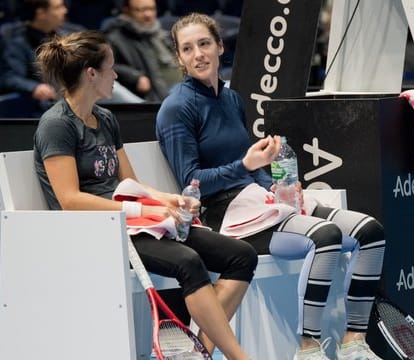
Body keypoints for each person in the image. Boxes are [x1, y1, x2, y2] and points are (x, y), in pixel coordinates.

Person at [156, 13, 386, 360]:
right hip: (223, 215)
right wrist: (246, 166)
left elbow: (253, 169)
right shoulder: (177, 108)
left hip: (258, 201)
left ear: (219, 46)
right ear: (179, 58)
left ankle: (355, 340)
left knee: (370, 231)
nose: (198, 54)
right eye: (187, 49)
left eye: (204, 44)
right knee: (324, 237)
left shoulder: (232, 98)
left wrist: (277, 186)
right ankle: (308, 348)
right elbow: (193, 182)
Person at [33, 30, 255, 360]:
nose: (116, 74)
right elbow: (70, 200)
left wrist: (169, 200)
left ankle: (199, 352)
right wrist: (141, 213)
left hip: (133, 223)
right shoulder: (57, 125)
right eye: (110, 67)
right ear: (91, 74)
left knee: (241, 255)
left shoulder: (105, 119)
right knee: (188, 262)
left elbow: (131, 183)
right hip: (94, 231)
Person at [103, 0, 181, 101]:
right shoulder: (115, 38)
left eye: (151, 9)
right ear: (127, 11)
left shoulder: (162, 33)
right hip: (154, 100)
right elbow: (104, 66)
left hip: (179, 91)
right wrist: (135, 76)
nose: (148, 14)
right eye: (141, 10)